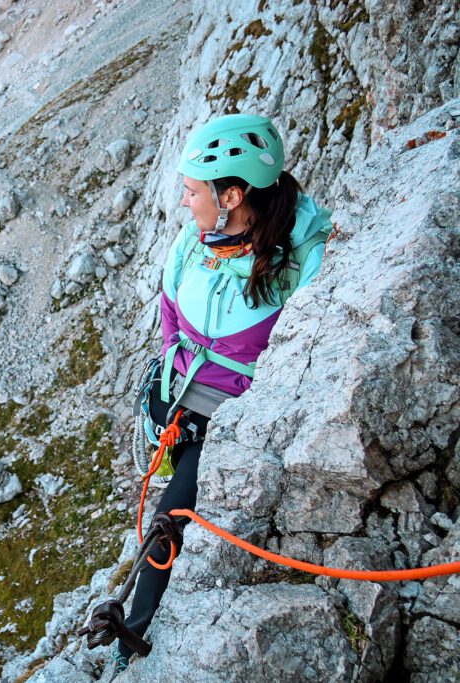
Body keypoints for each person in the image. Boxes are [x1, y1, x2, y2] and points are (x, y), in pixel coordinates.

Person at [115, 113, 333, 669]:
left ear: (232, 194)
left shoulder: (301, 262)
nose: (185, 203)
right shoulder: (196, 242)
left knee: (169, 515)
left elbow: (300, 357)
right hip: (181, 397)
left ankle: (132, 631)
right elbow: (169, 310)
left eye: (192, 192)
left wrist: (216, 414)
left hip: (236, 414)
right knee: (170, 496)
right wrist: (172, 380)